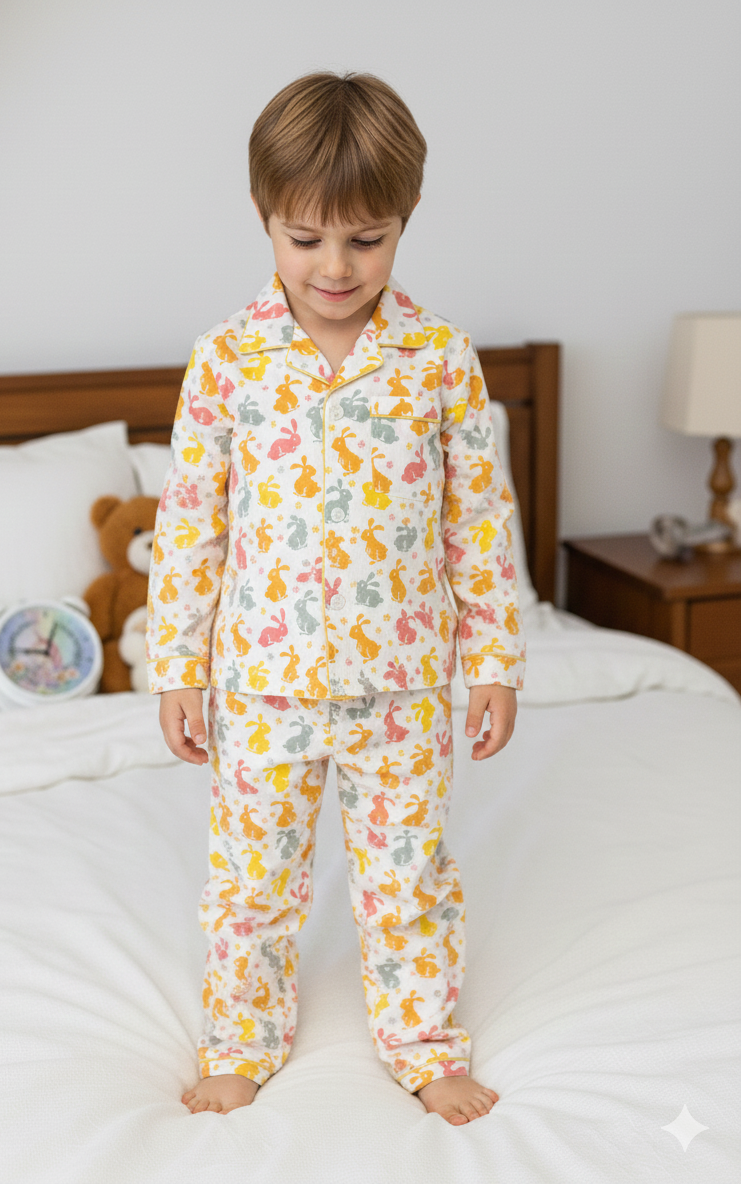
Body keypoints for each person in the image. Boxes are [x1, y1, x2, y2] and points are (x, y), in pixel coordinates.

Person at [147, 71, 524, 1125]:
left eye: (368, 239)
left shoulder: (439, 359)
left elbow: (478, 522)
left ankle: (423, 1044)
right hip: (262, 684)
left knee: (409, 878)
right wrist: (177, 669)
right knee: (252, 880)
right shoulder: (227, 360)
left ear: (406, 220)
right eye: (305, 237)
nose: (336, 267)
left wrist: (494, 660)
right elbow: (191, 527)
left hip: (403, 686)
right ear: (264, 216)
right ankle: (242, 1039)